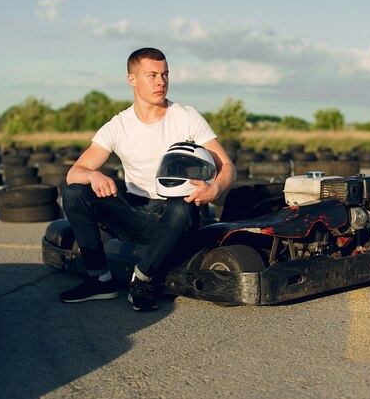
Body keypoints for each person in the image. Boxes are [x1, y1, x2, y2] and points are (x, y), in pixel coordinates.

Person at [59, 47, 237, 311]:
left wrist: (216, 187)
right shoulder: (118, 126)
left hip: (177, 215)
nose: (161, 82)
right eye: (151, 75)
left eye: (165, 74)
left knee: (181, 204)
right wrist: (93, 175)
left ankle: (142, 280)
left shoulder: (186, 116)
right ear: (132, 80)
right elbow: (75, 172)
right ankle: (100, 280)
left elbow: (227, 166)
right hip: (135, 212)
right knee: (74, 192)